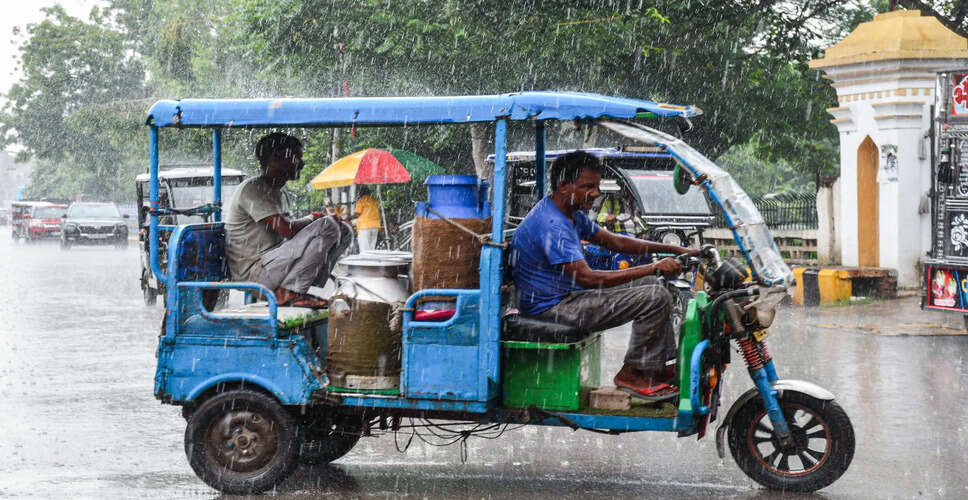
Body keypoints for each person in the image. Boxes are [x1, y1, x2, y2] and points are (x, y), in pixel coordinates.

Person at [510, 151, 698, 401]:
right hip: (551, 309)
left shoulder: (571, 213)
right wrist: (654, 266)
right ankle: (631, 374)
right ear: (564, 187)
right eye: (588, 186)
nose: (596, 193)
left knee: (653, 285)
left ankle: (652, 367)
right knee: (654, 295)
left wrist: (674, 249)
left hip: (567, 297)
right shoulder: (553, 225)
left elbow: (614, 241)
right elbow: (587, 279)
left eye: (596, 186)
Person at [225, 132, 353, 308]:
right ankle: (289, 293)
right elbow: (287, 230)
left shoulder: (279, 192)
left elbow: (292, 232)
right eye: (296, 157)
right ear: (276, 158)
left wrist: (317, 221)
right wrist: (313, 219)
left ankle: (295, 290)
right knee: (328, 225)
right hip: (255, 273)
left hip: (275, 265)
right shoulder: (253, 189)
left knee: (344, 230)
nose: (301, 163)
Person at [347, 186, 381, 252]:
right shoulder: (375, 201)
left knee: (364, 249)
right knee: (372, 248)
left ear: (361, 193)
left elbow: (357, 214)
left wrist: (349, 218)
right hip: (375, 226)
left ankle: (365, 262)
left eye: (359, 192)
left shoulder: (361, 200)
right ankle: (371, 261)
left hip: (365, 227)